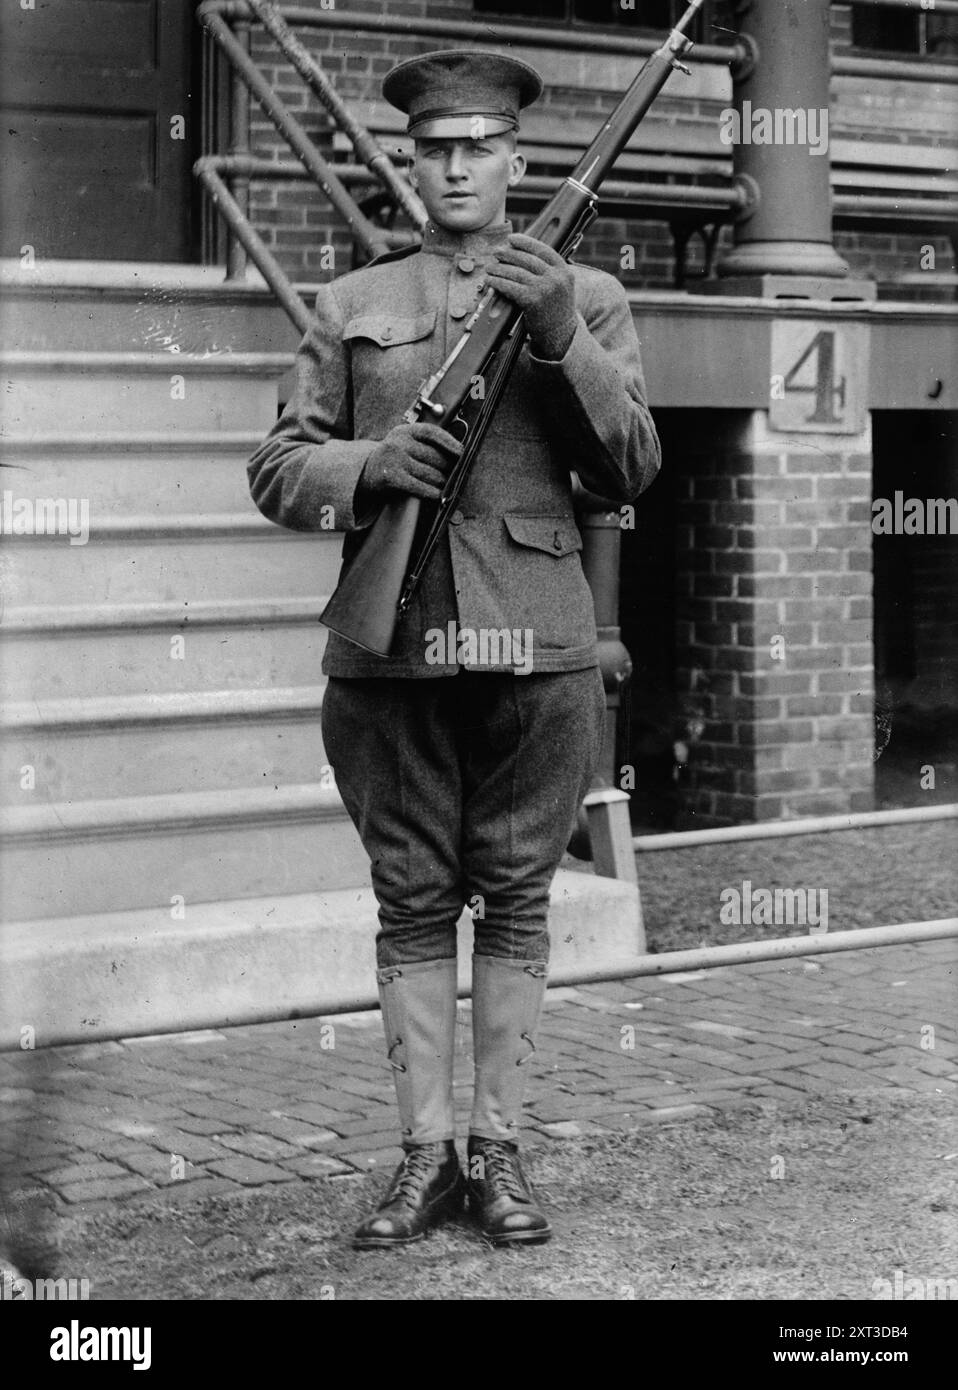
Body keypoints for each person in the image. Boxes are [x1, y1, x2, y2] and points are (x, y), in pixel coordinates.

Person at [247, 48, 661, 1249]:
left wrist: (553, 333)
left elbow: (628, 467)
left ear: (518, 162)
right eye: (436, 147)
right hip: (394, 649)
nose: (457, 165)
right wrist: (367, 468)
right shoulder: (349, 303)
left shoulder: (579, 294)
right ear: (410, 162)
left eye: (480, 146)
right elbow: (278, 466)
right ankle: (425, 1154)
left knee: (518, 901)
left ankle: (499, 1149)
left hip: (536, 643)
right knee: (414, 900)